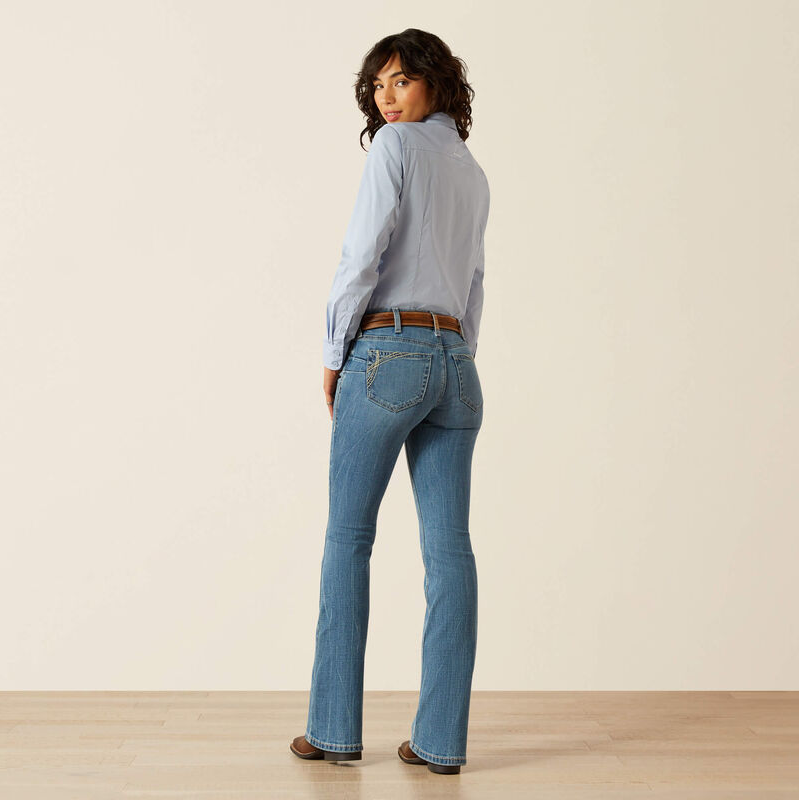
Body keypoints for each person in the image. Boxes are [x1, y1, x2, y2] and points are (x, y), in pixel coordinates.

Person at [290, 28, 490, 775]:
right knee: (450, 551)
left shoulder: (395, 149)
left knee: (349, 538)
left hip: (386, 351)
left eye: (400, 80)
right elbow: (474, 283)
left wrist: (333, 351)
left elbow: (361, 254)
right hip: (456, 361)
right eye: (377, 86)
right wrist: (456, 357)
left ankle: (333, 730)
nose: (386, 97)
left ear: (435, 81)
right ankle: (440, 742)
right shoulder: (473, 171)